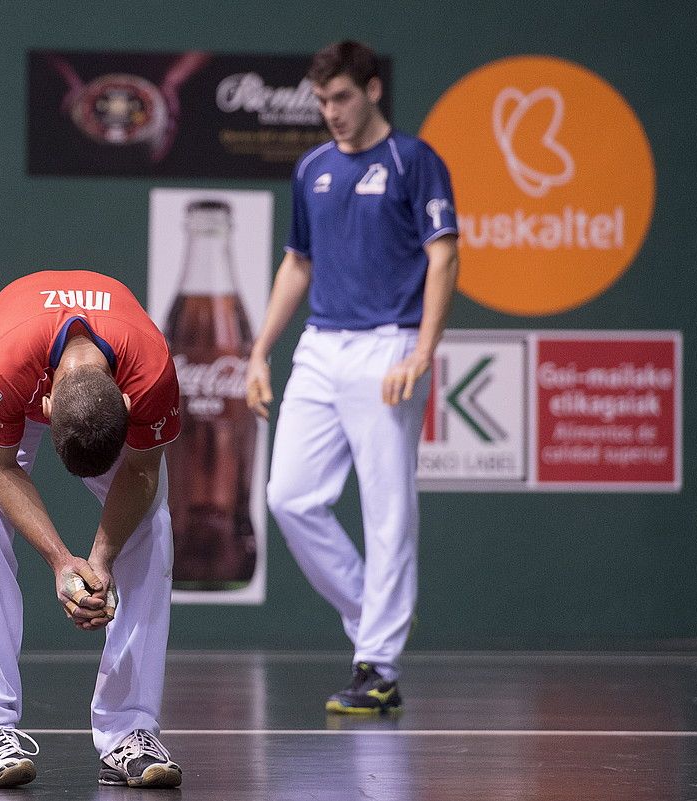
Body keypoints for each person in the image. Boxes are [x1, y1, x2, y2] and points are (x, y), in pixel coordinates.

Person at [246, 41, 459, 715]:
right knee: (289, 497)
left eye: (340, 98)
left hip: (389, 348)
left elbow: (444, 255)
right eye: (321, 101)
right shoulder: (311, 169)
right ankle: (377, 613)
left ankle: (379, 664)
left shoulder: (413, 161)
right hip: (320, 345)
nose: (330, 112)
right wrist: (259, 350)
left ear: (371, 89)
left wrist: (422, 351)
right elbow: (297, 264)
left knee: (387, 507)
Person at [0, 269, 183, 788]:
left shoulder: (152, 373)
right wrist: (61, 561)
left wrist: (100, 559)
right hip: (9, 359)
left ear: (128, 404)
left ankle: (129, 731)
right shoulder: (5, 367)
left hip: (86, 377)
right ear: (46, 408)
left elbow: (142, 472)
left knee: (154, 525)